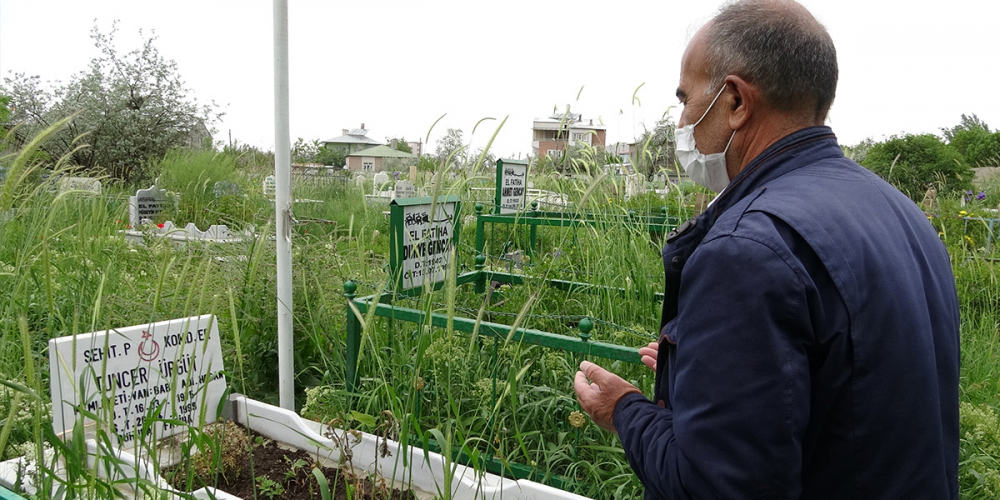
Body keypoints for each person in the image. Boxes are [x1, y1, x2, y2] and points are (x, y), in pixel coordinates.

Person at [573, 1, 960, 498]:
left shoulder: (746, 249)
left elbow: (715, 486)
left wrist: (624, 409)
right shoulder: (904, 214)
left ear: (735, 101)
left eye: (686, 99)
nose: (682, 120)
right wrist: (701, 369)